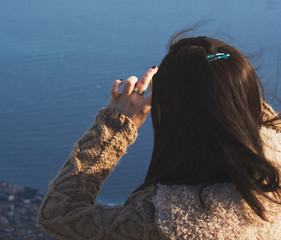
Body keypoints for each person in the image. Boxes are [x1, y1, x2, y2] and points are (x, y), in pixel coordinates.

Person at [37, 35, 281, 239]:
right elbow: (248, 113)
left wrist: (115, 125)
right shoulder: (275, 163)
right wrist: (223, 84)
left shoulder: (165, 222)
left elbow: (59, 214)